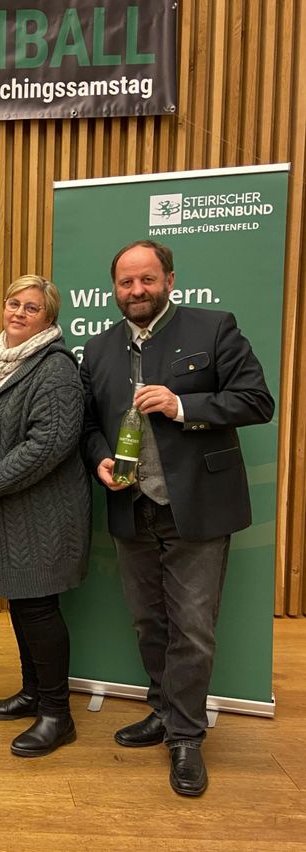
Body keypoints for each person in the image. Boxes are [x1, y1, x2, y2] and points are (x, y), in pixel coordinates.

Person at [80, 240, 274, 796]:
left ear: (169, 279)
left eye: (146, 280)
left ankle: (187, 737)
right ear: (114, 289)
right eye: (125, 283)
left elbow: (257, 400)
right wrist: (98, 461)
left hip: (200, 509)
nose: (136, 291)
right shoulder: (98, 349)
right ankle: (164, 710)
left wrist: (183, 406)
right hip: (130, 507)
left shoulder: (215, 329)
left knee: (193, 629)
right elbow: (90, 425)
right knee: (149, 624)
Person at [0, 274, 91, 757]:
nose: (19, 313)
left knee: (38, 606)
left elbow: (50, 441)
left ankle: (58, 714)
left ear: (49, 318)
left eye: (32, 308)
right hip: (3, 508)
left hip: (42, 509)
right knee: (20, 600)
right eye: (14, 303)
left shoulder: (56, 368)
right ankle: (33, 692)